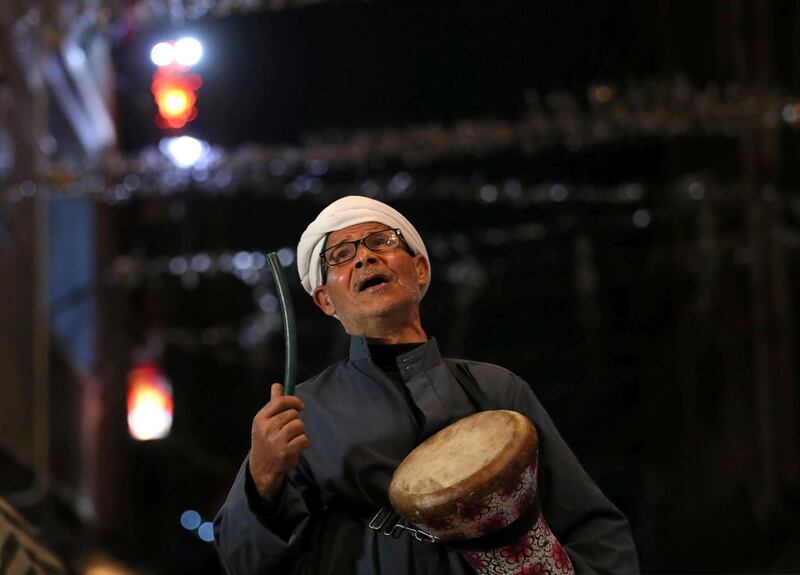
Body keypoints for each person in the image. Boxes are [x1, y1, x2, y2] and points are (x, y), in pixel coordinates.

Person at [214, 196, 639, 574]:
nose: (364, 258)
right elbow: (242, 560)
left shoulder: (497, 390)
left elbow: (590, 525)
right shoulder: (305, 412)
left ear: (418, 269)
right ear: (326, 300)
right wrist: (263, 477)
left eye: (381, 242)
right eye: (341, 255)